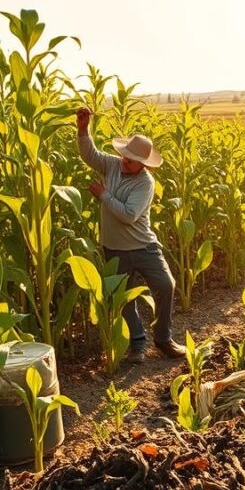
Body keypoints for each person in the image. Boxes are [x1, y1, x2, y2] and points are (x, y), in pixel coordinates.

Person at [75, 107, 185, 363]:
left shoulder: (145, 183)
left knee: (165, 285)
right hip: (114, 248)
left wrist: (103, 195)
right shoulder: (112, 165)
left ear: (144, 165)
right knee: (123, 298)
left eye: (132, 160)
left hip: (143, 247)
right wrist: (83, 130)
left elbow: (128, 215)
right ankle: (137, 344)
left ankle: (163, 339)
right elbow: (90, 155)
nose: (125, 161)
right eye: (125, 156)